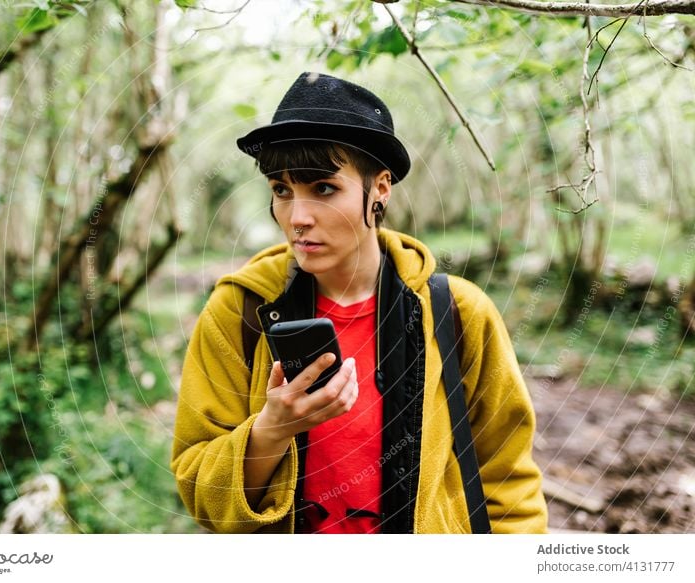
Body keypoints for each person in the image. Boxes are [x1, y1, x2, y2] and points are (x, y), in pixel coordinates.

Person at [171, 71, 548, 534]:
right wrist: (272, 429)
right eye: (281, 190)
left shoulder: (457, 312)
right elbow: (198, 492)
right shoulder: (240, 310)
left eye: (324, 188)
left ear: (380, 189)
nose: (298, 217)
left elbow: (508, 480)